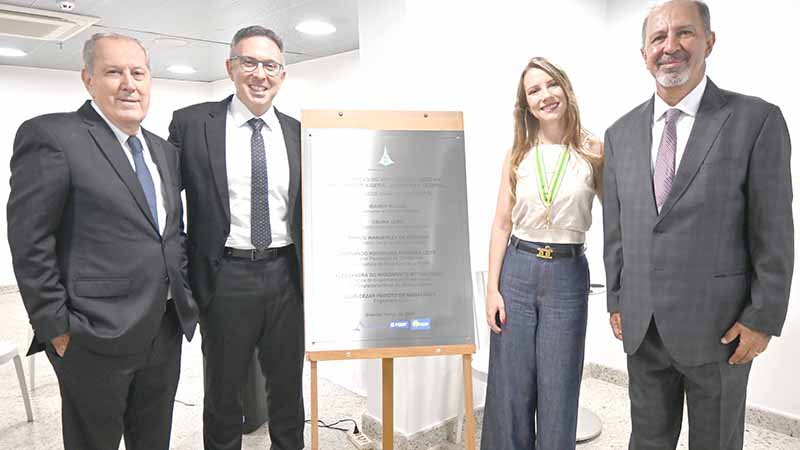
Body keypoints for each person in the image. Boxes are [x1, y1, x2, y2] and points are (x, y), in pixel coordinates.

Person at [602, 1, 793, 449]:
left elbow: (773, 231)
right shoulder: (619, 134)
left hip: (721, 330)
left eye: (684, 33)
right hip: (643, 327)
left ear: (709, 41)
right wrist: (617, 299)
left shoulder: (756, 121)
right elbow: (617, 229)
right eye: (658, 38)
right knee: (647, 441)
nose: (669, 46)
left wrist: (762, 319)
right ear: (644, 53)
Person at [7, 32, 198, 450]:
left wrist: (181, 293)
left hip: (164, 329)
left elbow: (170, 233)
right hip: (93, 336)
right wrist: (56, 328)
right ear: (88, 79)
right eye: (114, 72)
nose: (129, 84)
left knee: (154, 441)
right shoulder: (54, 137)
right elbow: (29, 239)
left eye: (138, 73)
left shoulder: (163, 151)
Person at [168, 25, 303, 450]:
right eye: (249, 62)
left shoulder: (299, 132)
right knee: (223, 393)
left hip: (287, 277)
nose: (260, 74)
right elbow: (166, 207)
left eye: (270, 65)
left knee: (287, 390)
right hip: (225, 276)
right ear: (230, 67)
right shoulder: (193, 124)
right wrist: (181, 271)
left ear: (282, 75)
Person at [481, 57, 603, 450]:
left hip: (568, 274)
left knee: (559, 385)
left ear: (565, 89)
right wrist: (492, 290)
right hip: (518, 270)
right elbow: (502, 224)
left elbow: (618, 217)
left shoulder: (594, 150)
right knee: (511, 386)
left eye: (551, 85)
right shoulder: (518, 153)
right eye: (534, 90)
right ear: (527, 104)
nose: (545, 95)